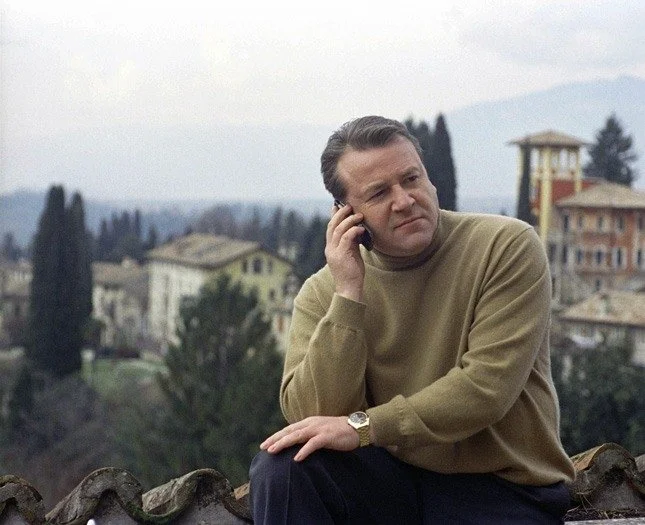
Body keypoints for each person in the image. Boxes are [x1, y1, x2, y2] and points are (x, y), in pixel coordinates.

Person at [249, 115, 575, 524]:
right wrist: (348, 294)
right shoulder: (325, 290)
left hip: (502, 488)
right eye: (379, 192)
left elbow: (485, 389)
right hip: (393, 484)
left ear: (430, 180)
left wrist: (365, 427)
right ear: (346, 214)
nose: (404, 201)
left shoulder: (505, 247)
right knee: (285, 466)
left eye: (411, 179)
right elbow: (313, 416)